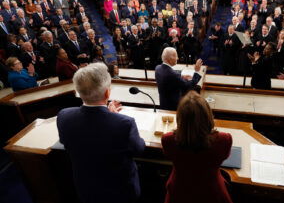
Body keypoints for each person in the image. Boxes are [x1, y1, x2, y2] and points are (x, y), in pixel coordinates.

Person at [57, 63, 145, 203]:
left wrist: (109, 115)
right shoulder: (125, 123)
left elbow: (67, 141)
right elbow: (139, 149)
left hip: (86, 189)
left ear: (79, 92)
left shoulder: (63, 116)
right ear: (107, 93)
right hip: (121, 192)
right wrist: (114, 117)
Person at [162, 91, 233, 203]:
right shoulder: (224, 139)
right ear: (208, 115)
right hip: (212, 191)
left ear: (179, 117)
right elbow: (225, 156)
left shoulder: (167, 139)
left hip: (179, 190)